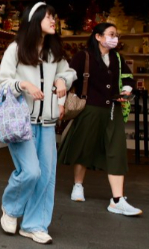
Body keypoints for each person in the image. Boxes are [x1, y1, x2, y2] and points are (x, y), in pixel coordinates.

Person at [0, 2, 76, 244]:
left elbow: (69, 72)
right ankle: (10, 208)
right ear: (35, 19)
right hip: (22, 123)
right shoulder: (16, 49)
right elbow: (3, 83)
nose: (54, 21)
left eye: (55, 16)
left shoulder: (53, 52)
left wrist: (62, 80)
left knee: (46, 177)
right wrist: (23, 85)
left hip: (49, 123)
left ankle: (33, 225)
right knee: (30, 171)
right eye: (49, 17)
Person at [58, 22, 141, 216]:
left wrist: (126, 89)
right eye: (111, 34)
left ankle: (118, 199)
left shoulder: (118, 58)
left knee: (116, 150)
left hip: (113, 109)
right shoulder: (83, 56)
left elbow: (128, 78)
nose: (115, 38)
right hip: (89, 109)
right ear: (98, 37)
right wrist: (60, 97)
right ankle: (78, 185)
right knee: (84, 146)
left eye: (116, 35)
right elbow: (68, 77)